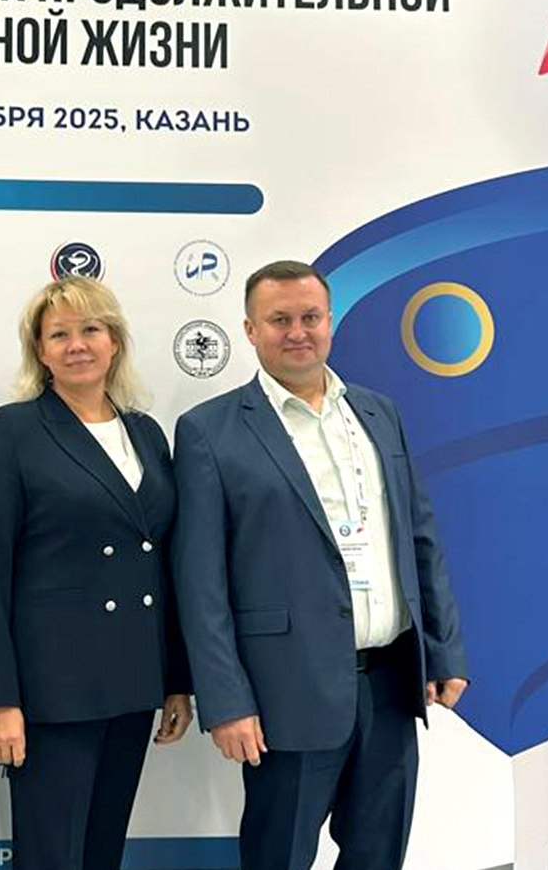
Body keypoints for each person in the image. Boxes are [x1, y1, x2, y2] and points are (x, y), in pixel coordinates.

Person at [171, 260, 469, 870]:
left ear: (330, 322)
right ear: (250, 330)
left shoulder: (378, 413)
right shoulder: (209, 431)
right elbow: (200, 583)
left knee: (378, 856)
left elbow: (419, 539)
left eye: (310, 317)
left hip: (390, 684)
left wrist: (442, 653)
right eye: (279, 320)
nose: (297, 332)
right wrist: (225, 701)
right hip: (286, 692)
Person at [0, 277, 194, 870]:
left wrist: (176, 678)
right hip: (54, 688)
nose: (77, 346)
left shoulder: (145, 433)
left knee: (101, 851)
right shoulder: (17, 430)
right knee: (51, 856)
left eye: (90, 330)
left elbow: (164, 565)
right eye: (59, 335)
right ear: (40, 352)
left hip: (133, 678)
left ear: (114, 341)